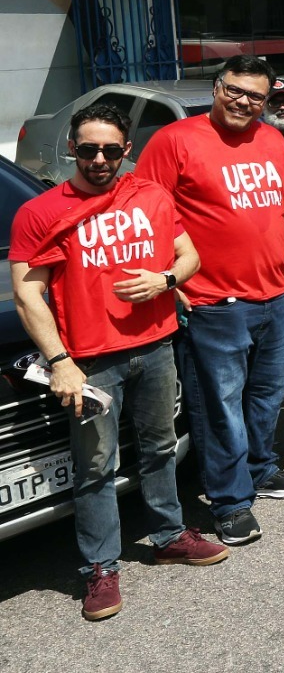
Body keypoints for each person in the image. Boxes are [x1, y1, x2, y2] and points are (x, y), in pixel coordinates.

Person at [11, 102, 222, 619]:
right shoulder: (40, 212)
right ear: (71, 149)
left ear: (127, 150)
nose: (99, 159)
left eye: (110, 149)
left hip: (155, 345)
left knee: (159, 447)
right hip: (90, 361)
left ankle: (168, 534)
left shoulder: (150, 194)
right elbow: (26, 295)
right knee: (96, 467)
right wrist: (60, 361)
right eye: (88, 149)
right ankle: (100, 570)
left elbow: (189, 255)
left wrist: (166, 280)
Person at [135, 55, 284, 542]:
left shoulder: (272, 139)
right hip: (211, 301)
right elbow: (149, 216)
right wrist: (170, 282)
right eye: (235, 90)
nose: (244, 102)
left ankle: (259, 469)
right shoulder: (175, 140)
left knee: (266, 396)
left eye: (256, 96)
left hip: (274, 294)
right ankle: (229, 501)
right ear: (217, 87)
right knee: (219, 407)